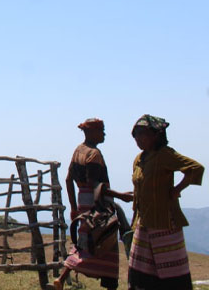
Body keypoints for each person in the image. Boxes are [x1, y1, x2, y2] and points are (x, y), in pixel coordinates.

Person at [55, 118, 133, 290]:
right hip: (97, 204)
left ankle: (61, 279)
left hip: (83, 202)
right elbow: (96, 185)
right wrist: (120, 195)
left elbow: (69, 180)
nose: (104, 134)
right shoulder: (93, 154)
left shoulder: (78, 150)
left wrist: (74, 208)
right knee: (105, 239)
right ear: (91, 132)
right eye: (101, 130)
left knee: (84, 241)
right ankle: (110, 284)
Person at [127, 115, 203, 290]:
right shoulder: (139, 159)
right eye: (135, 134)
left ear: (156, 135)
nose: (138, 138)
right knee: (140, 269)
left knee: (171, 269)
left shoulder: (165, 155)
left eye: (142, 133)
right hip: (144, 221)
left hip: (164, 222)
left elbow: (195, 168)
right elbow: (139, 189)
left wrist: (177, 189)